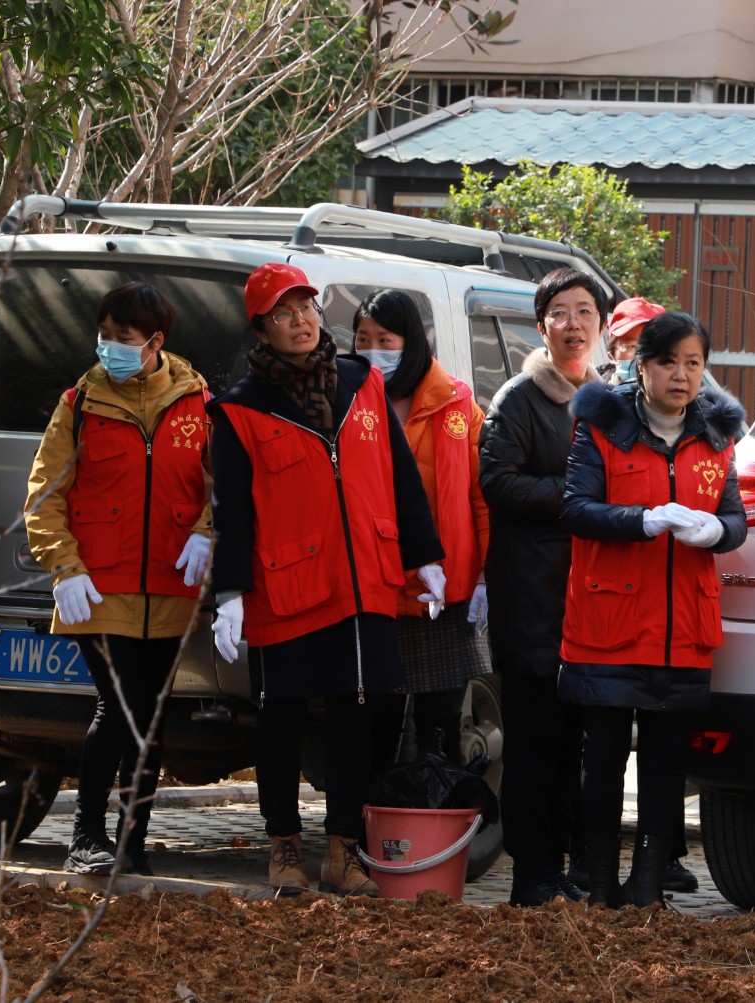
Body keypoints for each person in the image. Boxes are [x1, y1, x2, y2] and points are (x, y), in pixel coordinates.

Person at [207, 262, 444, 897]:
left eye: (306, 307)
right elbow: (232, 511)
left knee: (355, 717)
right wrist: (229, 594)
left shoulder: (361, 381)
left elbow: (400, 473)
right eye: (283, 315)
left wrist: (426, 555)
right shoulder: (238, 409)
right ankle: (283, 846)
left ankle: (344, 849)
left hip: (365, 578)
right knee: (281, 718)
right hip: (285, 584)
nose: (300, 322)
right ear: (261, 330)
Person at [23, 282, 212, 876]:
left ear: (155, 341)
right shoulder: (80, 402)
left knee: (149, 715)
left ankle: (132, 842)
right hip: (97, 587)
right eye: (103, 335)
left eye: (121, 337)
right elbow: (44, 495)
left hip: (171, 587)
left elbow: (227, 485)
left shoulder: (198, 402)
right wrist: (64, 566)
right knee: (121, 705)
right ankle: (86, 835)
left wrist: (207, 531)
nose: (108, 346)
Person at [560, 310, 747, 908]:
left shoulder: (717, 435)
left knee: (666, 765)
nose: (681, 375)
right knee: (604, 759)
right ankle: (599, 881)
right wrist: (641, 520)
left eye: (693, 363)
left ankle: (647, 887)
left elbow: (736, 518)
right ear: (641, 367)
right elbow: (575, 508)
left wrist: (717, 531)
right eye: (668, 362)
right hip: (609, 622)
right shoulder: (602, 425)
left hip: (682, 626)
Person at [479, 267, 606, 907]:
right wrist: (577, 498)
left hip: (593, 599)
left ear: (600, 325)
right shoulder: (519, 399)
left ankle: (570, 869)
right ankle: (532, 875)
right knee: (534, 743)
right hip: (532, 595)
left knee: (577, 743)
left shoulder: (608, 400)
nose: (573, 323)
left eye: (585, 311)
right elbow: (497, 483)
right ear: (541, 326)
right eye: (561, 312)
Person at [352, 289, 490, 765]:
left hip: (444, 594)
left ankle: (440, 812)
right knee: (373, 728)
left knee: (440, 728)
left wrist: (487, 574)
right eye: (363, 339)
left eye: (385, 340)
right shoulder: (347, 402)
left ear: (410, 341)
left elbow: (481, 498)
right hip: (375, 592)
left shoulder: (458, 405)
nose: (372, 350)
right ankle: (369, 813)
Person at [601, 295, 663, 382]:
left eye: (651, 347)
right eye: (633, 346)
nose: (641, 356)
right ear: (611, 356)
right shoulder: (594, 388)